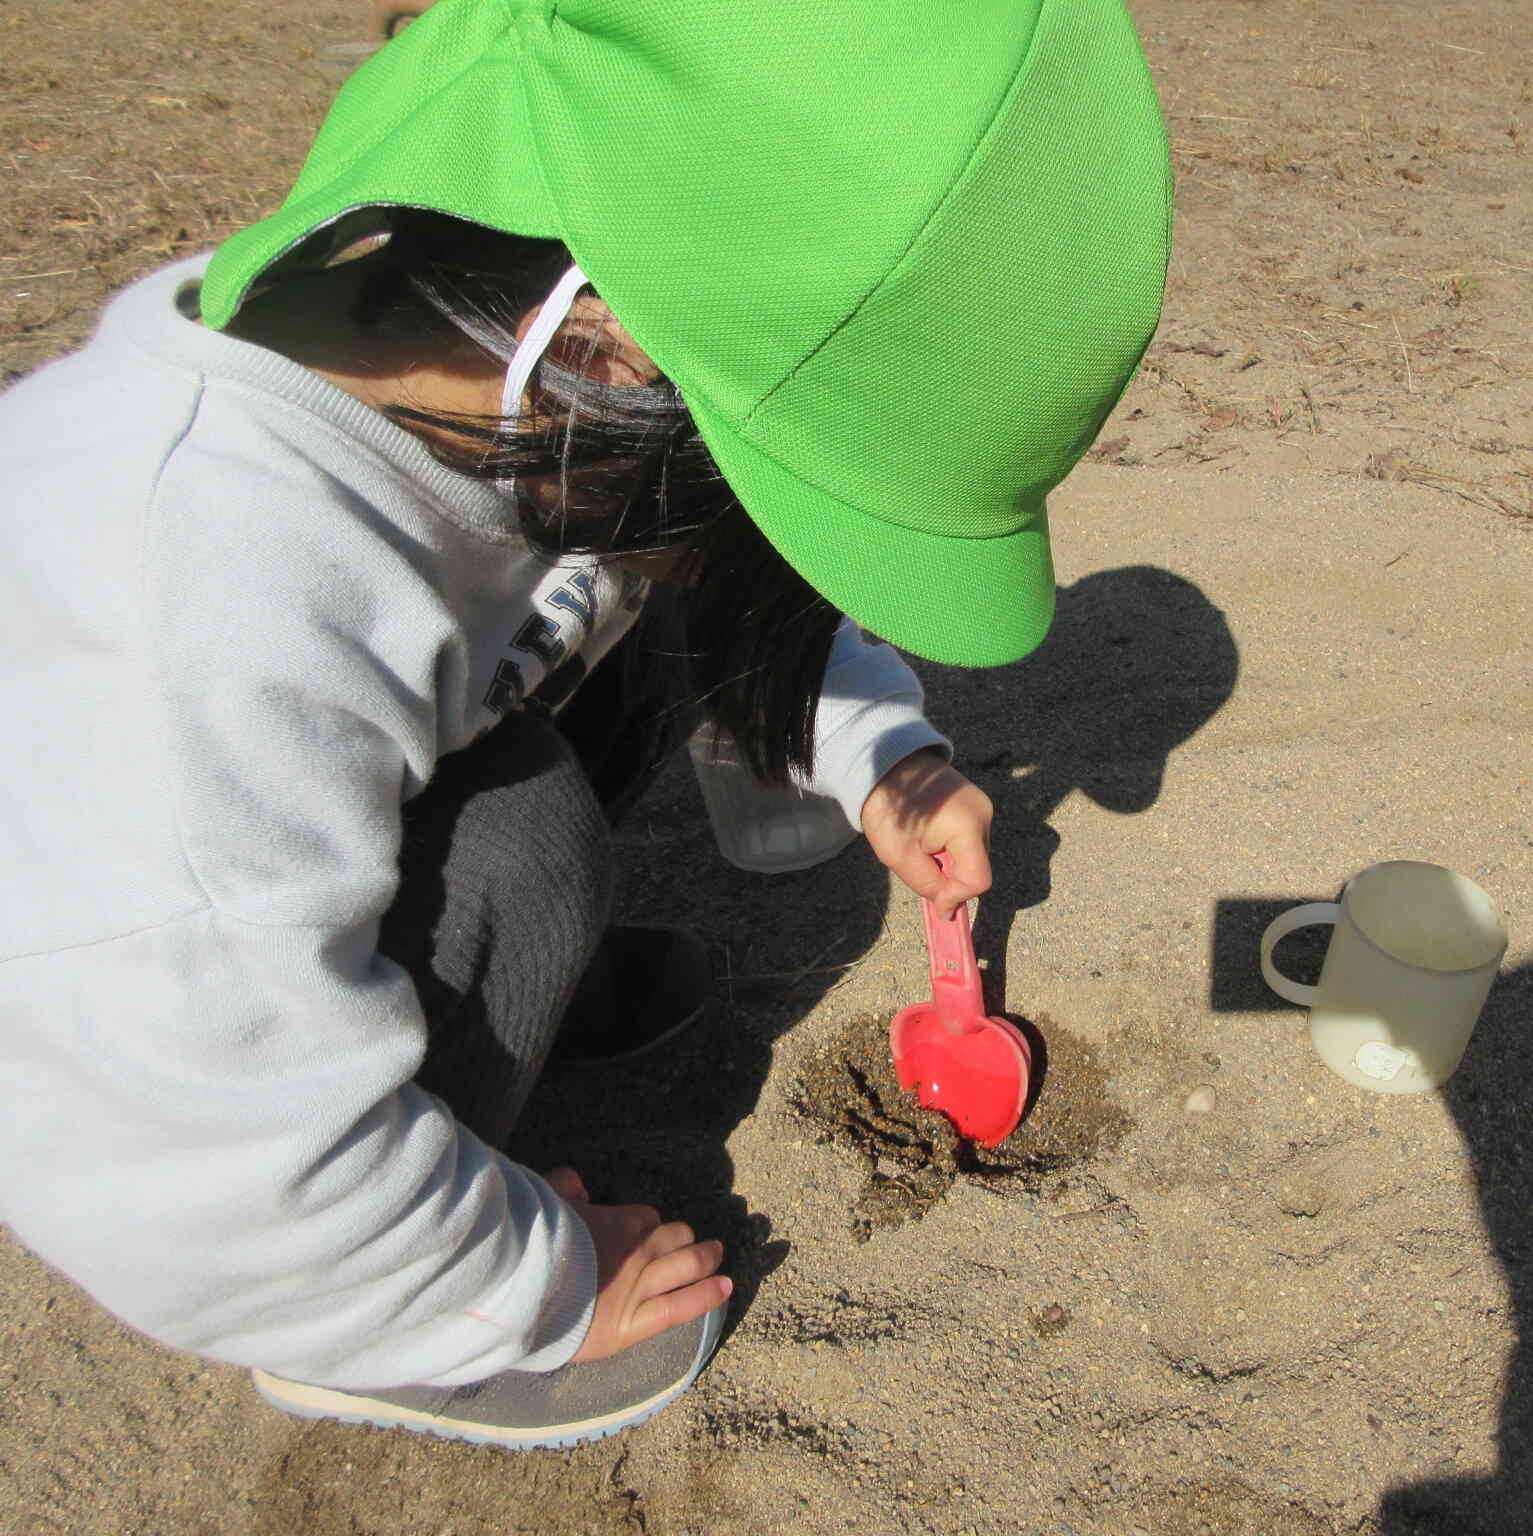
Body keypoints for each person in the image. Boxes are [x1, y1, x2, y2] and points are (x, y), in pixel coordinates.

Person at [0, 0, 1170, 1449]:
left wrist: (886, 761)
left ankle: (484, 1001)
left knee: (627, 605)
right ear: (614, 355)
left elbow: (682, 593)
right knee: (526, 838)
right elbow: (200, 1152)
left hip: (267, 874)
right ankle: (372, 1318)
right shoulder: (181, 616)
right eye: (765, 505)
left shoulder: (494, 375)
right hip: (160, 1068)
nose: (753, 559)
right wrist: (513, 1288)